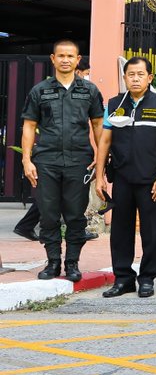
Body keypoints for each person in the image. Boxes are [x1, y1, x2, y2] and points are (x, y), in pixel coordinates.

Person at [20, 40, 104, 282]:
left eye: (70, 56)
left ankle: (72, 262)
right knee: (48, 215)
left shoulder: (89, 91)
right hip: (47, 161)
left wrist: (100, 157)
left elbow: (98, 124)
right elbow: (29, 125)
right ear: (53, 59)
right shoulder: (39, 91)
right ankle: (53, 262)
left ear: (78, 60)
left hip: (79, 161)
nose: (65, 60)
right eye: (61, 56)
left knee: (76, 215)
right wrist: (26, 159)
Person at [93, 58, 156, 298]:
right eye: (131, 74)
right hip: (122, 178)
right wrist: (99, 177)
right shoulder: (114, 104)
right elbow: (105, 141)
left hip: (151, 180)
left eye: (140, 74)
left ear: (149, 77)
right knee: (120, 231)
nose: (135, 79)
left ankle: (147, 278)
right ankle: (123, 279)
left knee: (151, 231)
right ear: (124, 78)